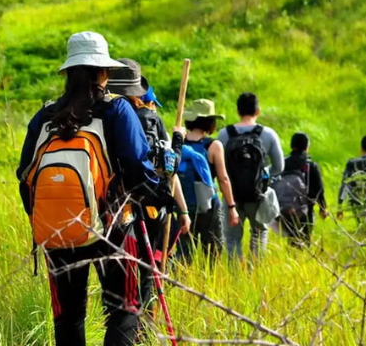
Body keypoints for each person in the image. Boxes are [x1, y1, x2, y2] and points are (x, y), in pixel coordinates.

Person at [16, 32, 158, 346]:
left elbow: (24, 176)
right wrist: (152, 195)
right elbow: (138, 166)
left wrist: (41, 219)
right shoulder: (116, 110)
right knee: (124, 309)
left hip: (57, 229)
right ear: (103, 72)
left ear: (68, 72)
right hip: (113, 225)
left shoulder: (45, 116)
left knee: (68, 315)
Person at [105, 58, 190, 311]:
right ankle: (143, 328)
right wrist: (177, 140)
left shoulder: (96, 113)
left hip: (104, 209)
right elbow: (169, 167)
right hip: (143, 207)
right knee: (145, 274)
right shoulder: (148, 120)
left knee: (114, 285)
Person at [218, 92, 284, 259]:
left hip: (232, 197)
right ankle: (255, 274)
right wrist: (262, 175)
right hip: (258, 196)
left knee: (232, 239)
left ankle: (235, 277)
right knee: (259, 233)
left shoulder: (224, 135)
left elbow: (218, 168)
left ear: (238, 111)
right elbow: (279, 166)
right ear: (258, 111)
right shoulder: (268, 134)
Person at [178, 99, 240, 262]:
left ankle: (182, 282)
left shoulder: (178, 143)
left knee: (183, 252)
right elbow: (223, 179)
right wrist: (232, 207)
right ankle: (209, 282)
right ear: (210, 122)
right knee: (213, 251)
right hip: (209, 205)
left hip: (183, 204)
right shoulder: (214, 145)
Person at [275, 132, 328, 247]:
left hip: (285, 207)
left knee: (291, 235)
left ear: (292, 146)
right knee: (305, 238)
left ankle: (291, 256)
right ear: (307, 147)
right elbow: (319, 188)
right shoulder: (310, 165)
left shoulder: (283, 163)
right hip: (306, 208)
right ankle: (301, 258)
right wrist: (323, 208)